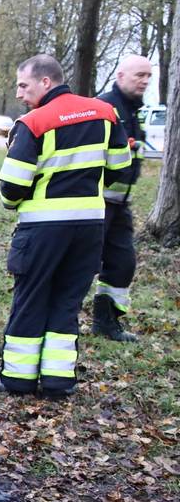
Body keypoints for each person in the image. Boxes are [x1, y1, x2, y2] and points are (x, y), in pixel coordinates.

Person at [0, 54, 132, 398]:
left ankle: (18, 379)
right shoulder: (105, 114)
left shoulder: (34, 122)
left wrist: (13, 205)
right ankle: (58, 381)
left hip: (42, 228)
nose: (19, 93)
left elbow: (12, 185)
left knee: (30, 298)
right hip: (89, 227)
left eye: (23, 85)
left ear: (46, 82)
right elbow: (120, 169)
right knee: (68, 301)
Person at [92, 54, 153, 342]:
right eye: (139, 75)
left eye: (148, 76)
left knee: (122, 263)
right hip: (96, 203)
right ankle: (60, 320)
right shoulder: (105, 107)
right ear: (120, 76)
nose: (145, 80)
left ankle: (106, 322)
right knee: (83, 263)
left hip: (120, 205)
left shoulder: (132, 109)